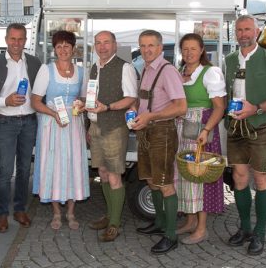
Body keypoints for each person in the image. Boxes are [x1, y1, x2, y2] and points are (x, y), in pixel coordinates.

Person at [224, 15, 266, 255]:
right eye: (239, 30)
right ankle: (245, 228)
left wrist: (257, 108)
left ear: (257, 32)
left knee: (261, 178)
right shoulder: (229, 60)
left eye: (247, 29)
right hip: (235, 126)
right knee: (239, 177)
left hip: (260, 125)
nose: (243, 34)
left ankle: (260, 232)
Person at [0, 23, 41, 233]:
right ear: (6, 40)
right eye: (13, 39)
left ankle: (20, 210)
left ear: (26, 41)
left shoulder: (34, 62)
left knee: (24, 169)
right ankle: (2, 214)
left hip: (29, 121)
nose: (16, 43)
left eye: (20, 39)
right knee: (5, 171)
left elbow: (40, 94)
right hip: (5, 122)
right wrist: (6, 101)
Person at [131, 29, 187, 255]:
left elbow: (181, 107)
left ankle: (171, 235)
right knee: (151, 180)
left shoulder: (167, 71)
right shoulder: (146, 68)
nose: (146, 50)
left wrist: (151, 116)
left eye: (151, 45)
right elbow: (146, 100)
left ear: (160, 47)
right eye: (143, 46)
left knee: (164, 183)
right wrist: (136, 109)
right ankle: (160, 222)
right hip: (146, 131)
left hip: (162, 131)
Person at [31, 30, 90, 230]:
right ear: (54, 49)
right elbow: (35, 101)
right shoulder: (46, 70)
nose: (63, 50)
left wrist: (82, 105)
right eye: (59, 46)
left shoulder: (81, 72)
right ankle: (56, 212)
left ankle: (71, 212)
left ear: (73, 49)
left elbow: (84, 99)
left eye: (67, 46)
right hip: (51, 124)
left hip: (73, 125)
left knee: (73, 164)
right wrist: (54, 113)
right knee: (53, 165)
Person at [83, 31, 138, 242]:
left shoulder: (125, 67)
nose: (102, 46)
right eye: (98, 43)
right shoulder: (94, 67)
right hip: (95, 127)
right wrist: (86, 117)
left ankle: (114, 224)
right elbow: (91, 97)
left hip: (114, 127)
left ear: (115, 45)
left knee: (114, 176)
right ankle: (109, 215)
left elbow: (131, 98)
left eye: (106, 42)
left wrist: (107, 107)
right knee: (103, 173)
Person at [174, 33, 226, 245]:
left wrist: (206, 130)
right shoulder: (180, 72)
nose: (188, 53)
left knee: (200, 177)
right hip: (182, 128)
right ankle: (190, 221)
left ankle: (202, 228)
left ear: (202, 50)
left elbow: (220, 107)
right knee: (185, 175)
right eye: (185, 49)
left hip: (201, 130)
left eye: (193, 49)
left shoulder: (210, 72)